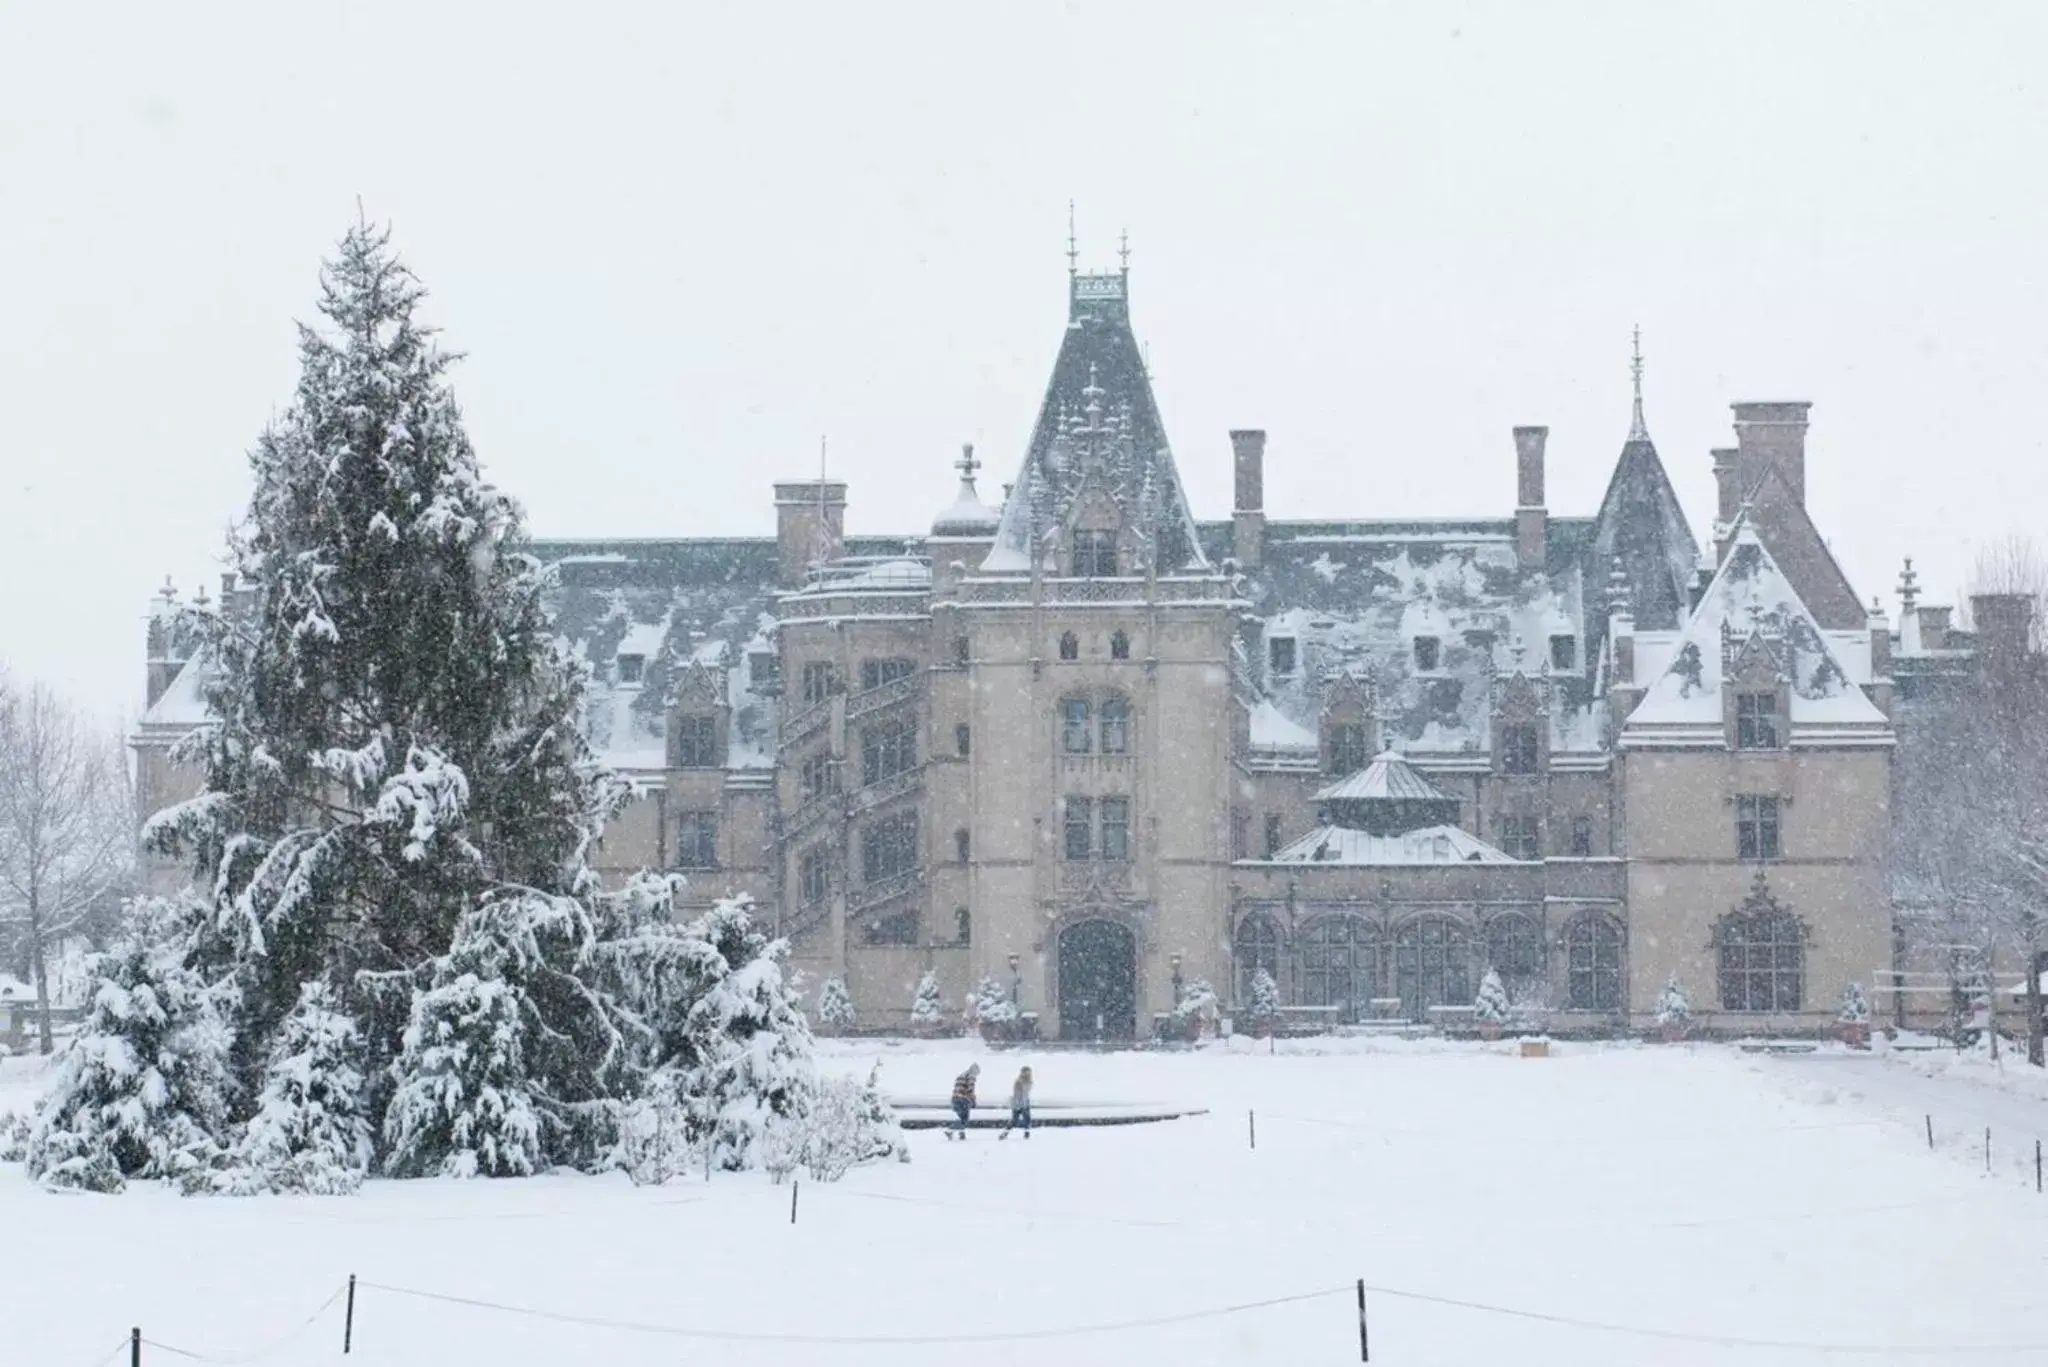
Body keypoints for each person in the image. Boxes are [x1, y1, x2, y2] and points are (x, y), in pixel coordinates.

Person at [946, 1062, 979, 1139]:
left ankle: (961, 1134)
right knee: (964, 1119)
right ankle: (950, 1130)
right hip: (963, 1099)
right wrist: (973, 1100)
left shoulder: (961, 1075)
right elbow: (970, 1089)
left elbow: (957, 1088)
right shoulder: (971, 1076)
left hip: (955, 1099)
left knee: (961, 1117)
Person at [1000, 1065, 1033, 1140]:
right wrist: (1019, 1105)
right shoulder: (1019, 1082)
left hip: (1025, 1102)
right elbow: (1017, 1094)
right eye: (1026, 1072)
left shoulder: (1029, 1082)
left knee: (1027, 1119)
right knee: (1015, 1120)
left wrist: (1026, 1101)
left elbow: (1026, 1093)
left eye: (1029, 1072)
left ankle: (1026, 1135)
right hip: (1018, 1103)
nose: (1028, 1074)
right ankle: (1005, 1133)